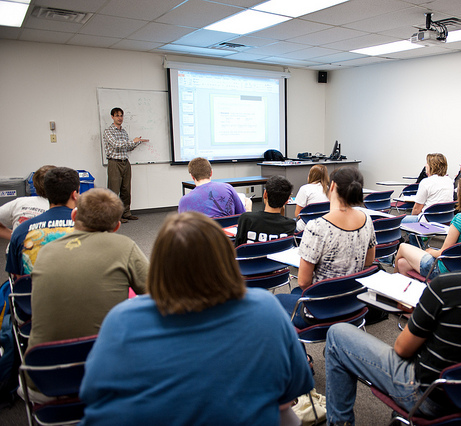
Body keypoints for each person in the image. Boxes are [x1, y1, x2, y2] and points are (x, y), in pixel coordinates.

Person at [79, 212, 313, 425]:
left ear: (159, 262)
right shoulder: (266, 308)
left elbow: (93, 397)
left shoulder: (122, 320)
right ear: (226, 260)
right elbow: (289, 395)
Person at [324, 200, 461, 424]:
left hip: (429, 396)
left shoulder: (447, 287)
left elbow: (402, 349)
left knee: (338, 335)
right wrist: (427, 311)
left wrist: (422, 314)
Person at [25, 188, 147, 394]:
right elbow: (159, 294)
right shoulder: (124, 246)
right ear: (117, 226)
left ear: (74, 216)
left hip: (43, 376)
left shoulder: (47, 251)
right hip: (108, 372)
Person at [276, 167, 376, 327]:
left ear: (333, 186)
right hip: (353, 303)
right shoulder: (367, 219)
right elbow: (369, 261)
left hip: (320, 310)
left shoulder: (317, 226)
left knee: (275, 301)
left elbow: (303, 281)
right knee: (295, 294)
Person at [395, 176, 461, 279]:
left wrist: (429, 251)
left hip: (444, 270)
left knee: (403, 247)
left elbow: (443, 252)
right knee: (402, 263)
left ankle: (390, 281)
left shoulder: (460, 219)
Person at [5, 167, 78, 277]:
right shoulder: (89, 228)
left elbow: (17, 276)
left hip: (33, 293)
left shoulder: (21, 230)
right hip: (78, 292)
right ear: (74, 194)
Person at [103, 107, 148, 223]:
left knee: (126, 190)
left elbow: (127, 147)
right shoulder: (108, 131)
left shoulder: (123, 132)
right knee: (114, 190)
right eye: (117, 115)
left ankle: (126, 213)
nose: (120, 118)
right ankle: (114, 216)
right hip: (114, 163)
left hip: (125, 163)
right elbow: (117, 145)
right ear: (112, 117)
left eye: (121, 115)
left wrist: (137, 142)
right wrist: (132, 141)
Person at [178, 157, 248, 217]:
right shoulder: (227, 188)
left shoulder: (184, 200)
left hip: (202, 232)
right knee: (248, 202)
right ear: (211, 172)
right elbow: (241, 214)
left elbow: (183, 227)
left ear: (192, 177)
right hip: (228, 231)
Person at [235, 175, 295, 246]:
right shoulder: (290, 225)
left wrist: (248, 210)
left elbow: (238, 247)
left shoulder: (246, 218)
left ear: (265, 194)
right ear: (287, 201)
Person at [0, 165, 54, 241]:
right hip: (42, 251)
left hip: (15, 251)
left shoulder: (20, 202)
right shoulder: (61, 208)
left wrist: (14, 237)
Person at [294, 164, 330, 231]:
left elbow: (298, 214)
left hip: (306, 227)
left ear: (310, 175)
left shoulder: (304, 189)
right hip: (324, 226)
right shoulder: (328, 190)